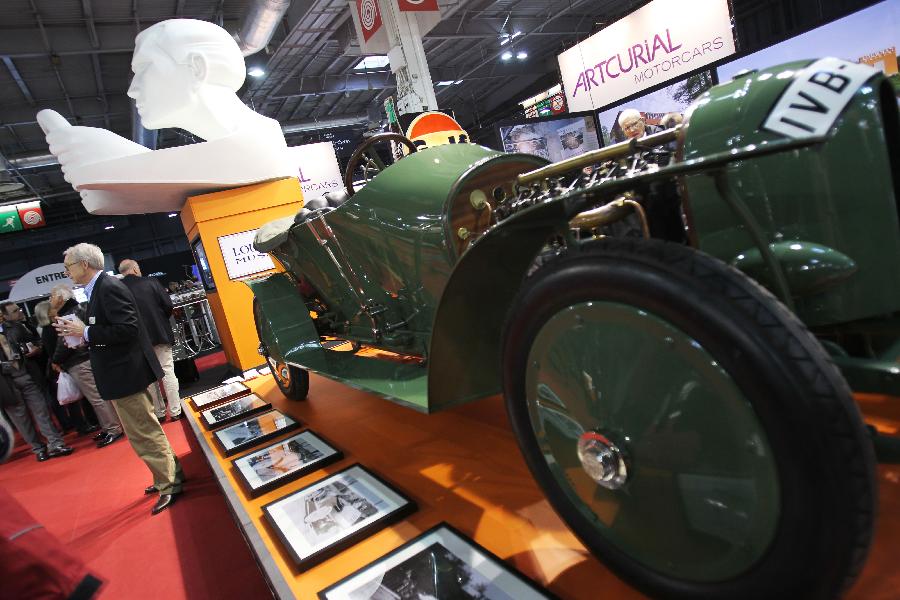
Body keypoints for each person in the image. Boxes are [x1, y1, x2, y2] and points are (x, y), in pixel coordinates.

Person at [37, 19, 293, 216]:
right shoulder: (245, 149)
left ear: (197, 67)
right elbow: (103, 201)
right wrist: (109, 171)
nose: (132, 88)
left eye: (145, 69)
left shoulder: (255, 150)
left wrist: (106, 167)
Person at [55, 243, 184, 515]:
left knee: (142, 431)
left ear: (84, 265)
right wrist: (84, 336)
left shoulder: (108, 287)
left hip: (126, 372)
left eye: (68, 266)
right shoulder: (100, 289)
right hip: (122, 372)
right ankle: (169, 474)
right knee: (144, 429)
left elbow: (127, 329)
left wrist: (87, 332)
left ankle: (168, 483)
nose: (66, 271)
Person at [50, 284, 124, 447]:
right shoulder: (80, 308)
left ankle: (113, 429)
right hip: (88, 357)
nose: (50, 300)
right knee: (100, 395)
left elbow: (65, 343)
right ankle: (110, 427)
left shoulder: (68, 316)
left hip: (79, 361)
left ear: (61, 298)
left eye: (52, 296)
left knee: (97, 398)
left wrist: (55, 360)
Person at [0, 305, 74, 462]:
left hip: (27, 375)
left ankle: (55, 444)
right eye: (15, 311)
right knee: (21, 420)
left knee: (42, 411)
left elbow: (37, 342)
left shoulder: (17, 327)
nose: (19, 312)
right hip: (6, 383)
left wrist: (35, 349)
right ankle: (38, 449)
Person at [118, 259, 182, 422]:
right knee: (167, 371)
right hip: (159, 333)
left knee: (150, 377)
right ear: (135, 269)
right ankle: (175, 411)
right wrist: (160, 319)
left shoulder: (119, 289)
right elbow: (168, 305)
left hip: (138, 340)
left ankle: (159, 413)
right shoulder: (151, 282)